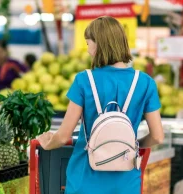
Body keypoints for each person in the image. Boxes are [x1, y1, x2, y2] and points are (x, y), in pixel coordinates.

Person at [37, 16, 164, 194]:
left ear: (99, 44)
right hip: (126, 181)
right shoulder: (145, 82)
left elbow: (63, 134)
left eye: (88, 43)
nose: (88, 50)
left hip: (84, 178)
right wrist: (133, 145)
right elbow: (158, 137)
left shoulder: (84, 80)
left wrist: (46, 143)